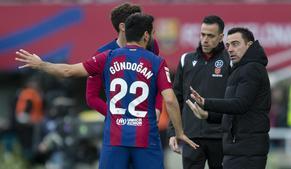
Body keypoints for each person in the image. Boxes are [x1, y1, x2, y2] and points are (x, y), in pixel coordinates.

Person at [15, 13, 198, 169]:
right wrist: (179, 132)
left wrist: (40, 64)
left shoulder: (108, 57)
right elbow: (171, 100)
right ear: (146, 36)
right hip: (145, 137)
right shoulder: (156, 62)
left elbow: (68, 71)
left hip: (115, 138)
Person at [186, 27, 271, 169]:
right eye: (228, 45)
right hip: (238, 149)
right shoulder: (240, 69)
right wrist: (208, 115)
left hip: (247, 151)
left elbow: (240, 105)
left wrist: (206, 103)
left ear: (249, 45)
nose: (230, 49)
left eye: (235, 44)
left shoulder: (252, 68)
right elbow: (234, 114)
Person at [167, 15, 230, 169]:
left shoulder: (231, 61)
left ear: (221, 37)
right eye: (202, 34)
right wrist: (172, 131)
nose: (205, 39)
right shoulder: (185, 60)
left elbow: (235, 103)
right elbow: (177, 100)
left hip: (220, 138)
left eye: (210, 35)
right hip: (191, 138)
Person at [86, 3, 162, 123]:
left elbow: (159, 83)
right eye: (136, 22)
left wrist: (158, 108)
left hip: (144, 122)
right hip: (117, 126)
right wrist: (114, 115)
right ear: (123, 27)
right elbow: (91, 97)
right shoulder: (102, 54)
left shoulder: (151, 45)